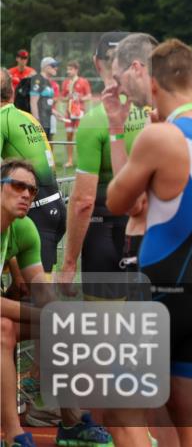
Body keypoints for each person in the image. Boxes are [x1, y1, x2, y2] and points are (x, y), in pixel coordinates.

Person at [106, 39, 192, 447]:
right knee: (191, 411)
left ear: (153, 86)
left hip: (158, 291)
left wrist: (123, 131)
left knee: (121, 411)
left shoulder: (161, 138)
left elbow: (118, 202)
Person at [58, 32, 155, 447]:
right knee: (141, 337)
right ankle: (141, 429)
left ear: (99, 65)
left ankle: (121, 430)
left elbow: (82, 201)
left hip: (104, 232)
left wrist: (68, 263)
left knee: (105, 343)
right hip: (148, 233)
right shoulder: (154, 114)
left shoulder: (96, 119)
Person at [1, 159, 114, 447]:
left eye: (32, 190)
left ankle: (72, 422)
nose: (26, 194)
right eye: (18, 186)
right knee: (4, 329)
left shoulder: (24, 229)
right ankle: (14, 435)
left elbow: (42, 291)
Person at [0, 69, 65, 275]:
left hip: (36, 210)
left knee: (38, 290)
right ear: (11, 92)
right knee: (27, 285)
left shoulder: (1, 120)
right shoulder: (26, 116)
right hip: (54, 205)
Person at [61, 60, 93, 168]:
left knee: (80, 136)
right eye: (67, 69)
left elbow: (89, 96)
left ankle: (82, 160)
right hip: (69, 113)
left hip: (79, 112)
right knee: (69, 135)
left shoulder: (83, 81)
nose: (68, 71)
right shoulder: (65, 82)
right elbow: (62, 98)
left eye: (70, 69)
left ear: (76, 70)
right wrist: (68, 97)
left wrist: (80, 98)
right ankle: (70, 161)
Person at [28, 58, 59, 140]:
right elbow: (33, 102)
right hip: (40, 121)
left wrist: (55, 112)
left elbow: (45, 102)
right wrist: (36, 120)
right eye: (53, 66)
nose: (56, 68)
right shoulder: (38, 79)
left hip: (47, 120)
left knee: (47, 143)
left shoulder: (47, 81)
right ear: (46, 67)